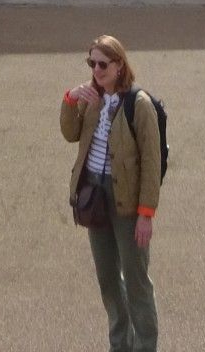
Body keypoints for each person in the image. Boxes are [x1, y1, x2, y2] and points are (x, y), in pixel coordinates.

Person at [60, 35, 162, 352]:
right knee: (107, 278)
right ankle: (120, 344)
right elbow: (70, 133)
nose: (97, 69)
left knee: (136, 281)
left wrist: (146, 214)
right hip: (95, 193)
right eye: (92, 63)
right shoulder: (92, 97)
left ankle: (145, 346)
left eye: (103, 64)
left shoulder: (139, 104)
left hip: (127, 201)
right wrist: (70, 99)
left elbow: (151, 162)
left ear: (119, 65)